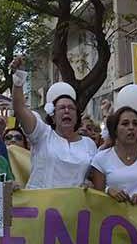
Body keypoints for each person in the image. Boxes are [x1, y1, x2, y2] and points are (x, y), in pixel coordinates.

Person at [10, 56, 97, 189]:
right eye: (62, 108)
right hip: (40, 205)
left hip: (74, 207)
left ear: (77, 116)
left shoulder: (89, 144)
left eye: (71, 108)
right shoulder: (42, 133)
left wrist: (90, 184)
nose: (67, 111)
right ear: (53, 116)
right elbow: (19, 108)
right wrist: (19, 78)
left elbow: (94, 177)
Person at [91, 106, 137, 204]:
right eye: (125, 124)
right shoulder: (100, 158)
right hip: (113, 218)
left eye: (135, 124)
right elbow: (97, 197)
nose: (131, 128)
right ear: (115, 130)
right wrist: (108, 191)